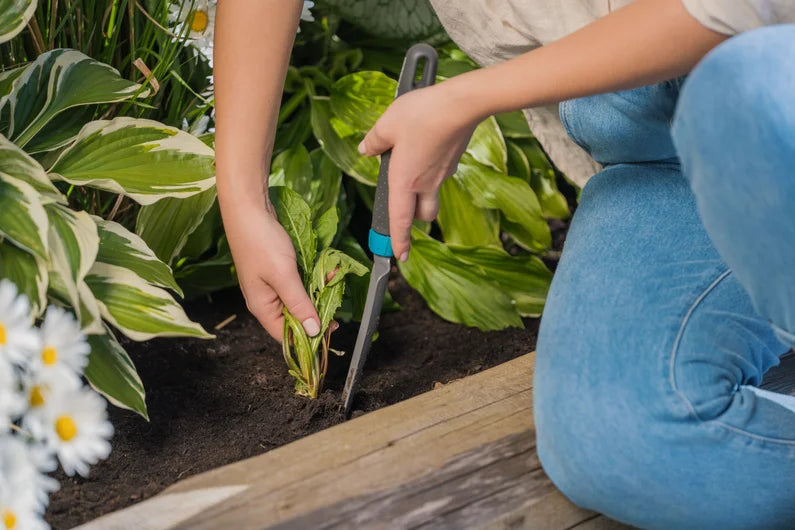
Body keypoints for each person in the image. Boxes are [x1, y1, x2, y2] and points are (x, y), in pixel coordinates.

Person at [213, 1, 795, 527]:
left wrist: (471, 97)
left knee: (735, 85)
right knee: (617, 444)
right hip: (652, 148)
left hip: (764, 81)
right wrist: (241, 201)